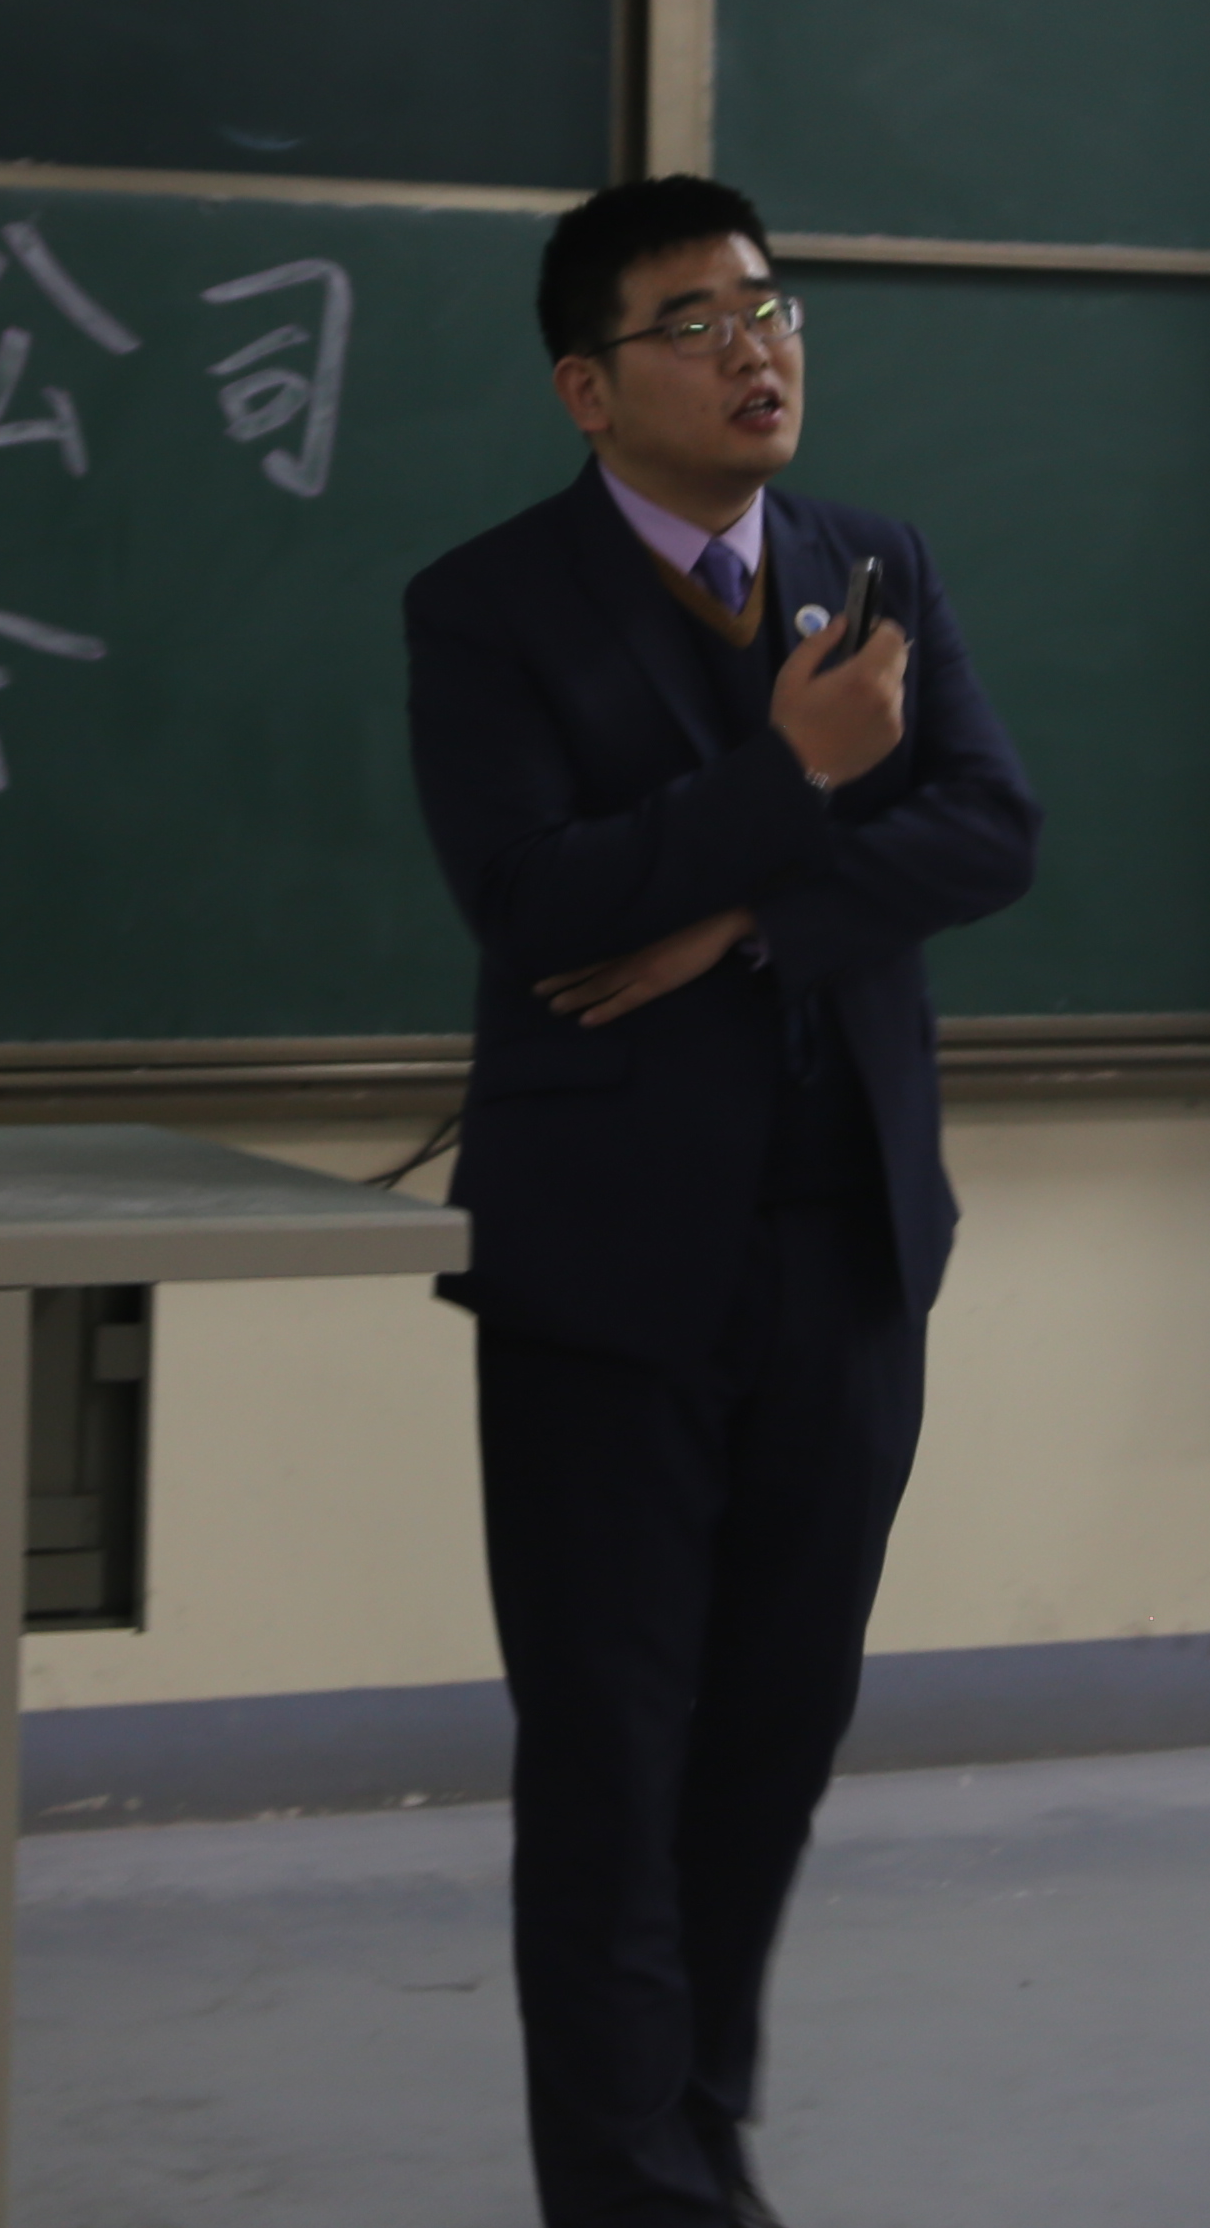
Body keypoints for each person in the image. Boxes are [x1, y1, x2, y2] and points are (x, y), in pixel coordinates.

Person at [399, 174, 1041, 2228]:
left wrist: (743, 919)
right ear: (590, 389)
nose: (755, 346)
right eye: (694, 321)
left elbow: (991, 828)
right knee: (615, 1760)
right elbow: (535, 901)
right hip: (611, 1270)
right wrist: (789, 781)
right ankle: (632, 2195)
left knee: (769, 1743)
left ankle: (702, 2151)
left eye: (769, 304)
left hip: (850, 1249)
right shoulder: (485, 606)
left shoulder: (873, 560)